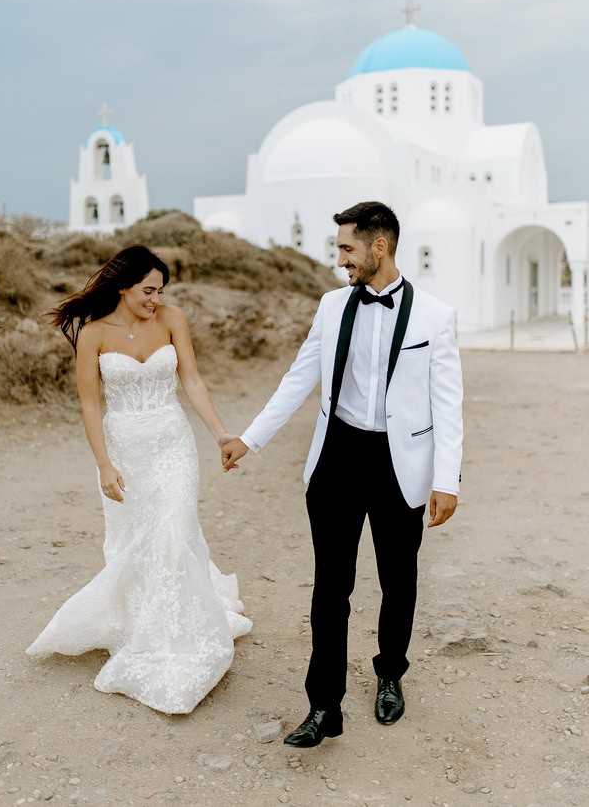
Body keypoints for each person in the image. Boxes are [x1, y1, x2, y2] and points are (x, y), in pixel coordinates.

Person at [221, 202, 463, 747]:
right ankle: (323, 705)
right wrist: (250, 438)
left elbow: (449, 405)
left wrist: (447, 479)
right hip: (337, 458)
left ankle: (390, 673)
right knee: (331, 587)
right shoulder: (331, 307)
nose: (340, 261)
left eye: (347, 249)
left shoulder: (435, 316)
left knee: (399, 581)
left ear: (380, 247)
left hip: (402, 464)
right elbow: (298, 377)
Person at [27, 245, 251, 713]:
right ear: (123, 286)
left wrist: (221, 433)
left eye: (160, 290)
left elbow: (191, 379)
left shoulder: (172, 318)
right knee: (137, 542)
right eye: (148, 290)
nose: (156, 298)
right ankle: (143, 623)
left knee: (173, 532)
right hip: (125, 449)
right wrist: (104, 464)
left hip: (172, 444)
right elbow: (90, 405)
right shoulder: (92, 335)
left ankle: (174, 638)